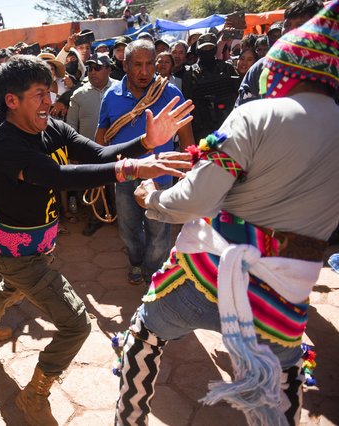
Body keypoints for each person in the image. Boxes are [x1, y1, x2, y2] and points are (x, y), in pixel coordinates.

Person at [116, 2, 339, 424]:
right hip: (284, 297)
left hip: (208, 281)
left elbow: (196, 200)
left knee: (142, 337)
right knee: (283, 378)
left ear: (281, 67)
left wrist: (151, 199)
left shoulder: (256, 115)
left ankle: (128, 421)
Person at [0, 55, 194, 426]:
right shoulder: (0, 145)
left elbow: (100, 154)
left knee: (12, 287)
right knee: (76, 325)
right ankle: (34, 393)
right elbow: (59, 176)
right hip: (19, 253)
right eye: (40, 94)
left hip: (30, 249)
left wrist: (145, 142)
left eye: (49, 92)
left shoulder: (51, 127)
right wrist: (132, 168)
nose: (49, 101)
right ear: (12, 100)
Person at [96, 40, 195, 285]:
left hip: (161, 177)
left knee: (159, 231)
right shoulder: (111, 96)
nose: (145, 71)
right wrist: (98, 173)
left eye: (150, 64)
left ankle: (153, 272)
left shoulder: (171, 93)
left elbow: (186, 138)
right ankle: (137, 263)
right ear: (125, 65)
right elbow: (101, 137)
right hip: (125, 175)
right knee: (128, 229)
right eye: (137, 65)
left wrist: (189, 175)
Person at [66, 53, 118, 236]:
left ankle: (121, 219)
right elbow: (71, 125)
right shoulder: (79, 94)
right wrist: (73, 150)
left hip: (116, 150)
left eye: (98, 68)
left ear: (109, 69)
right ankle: (95, 218)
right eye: (90, 68)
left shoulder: (120, 89)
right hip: (88, 151)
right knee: (92, 188)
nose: (93, 72)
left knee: (118, 187)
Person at [235, 0, 324, 106]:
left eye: (300, 24)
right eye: (287, 25)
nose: (291, 30)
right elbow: (243, 112)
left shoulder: (330, 68)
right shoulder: (261, 68)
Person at [181, 33, 238, 140]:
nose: (207, 51)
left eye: (210, 48)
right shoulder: (191, 73)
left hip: (228, 124)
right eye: (204, 48)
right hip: (203, 128)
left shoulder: (227, 68)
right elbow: (188, 103)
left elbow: (237, 95)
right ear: (198, 50)